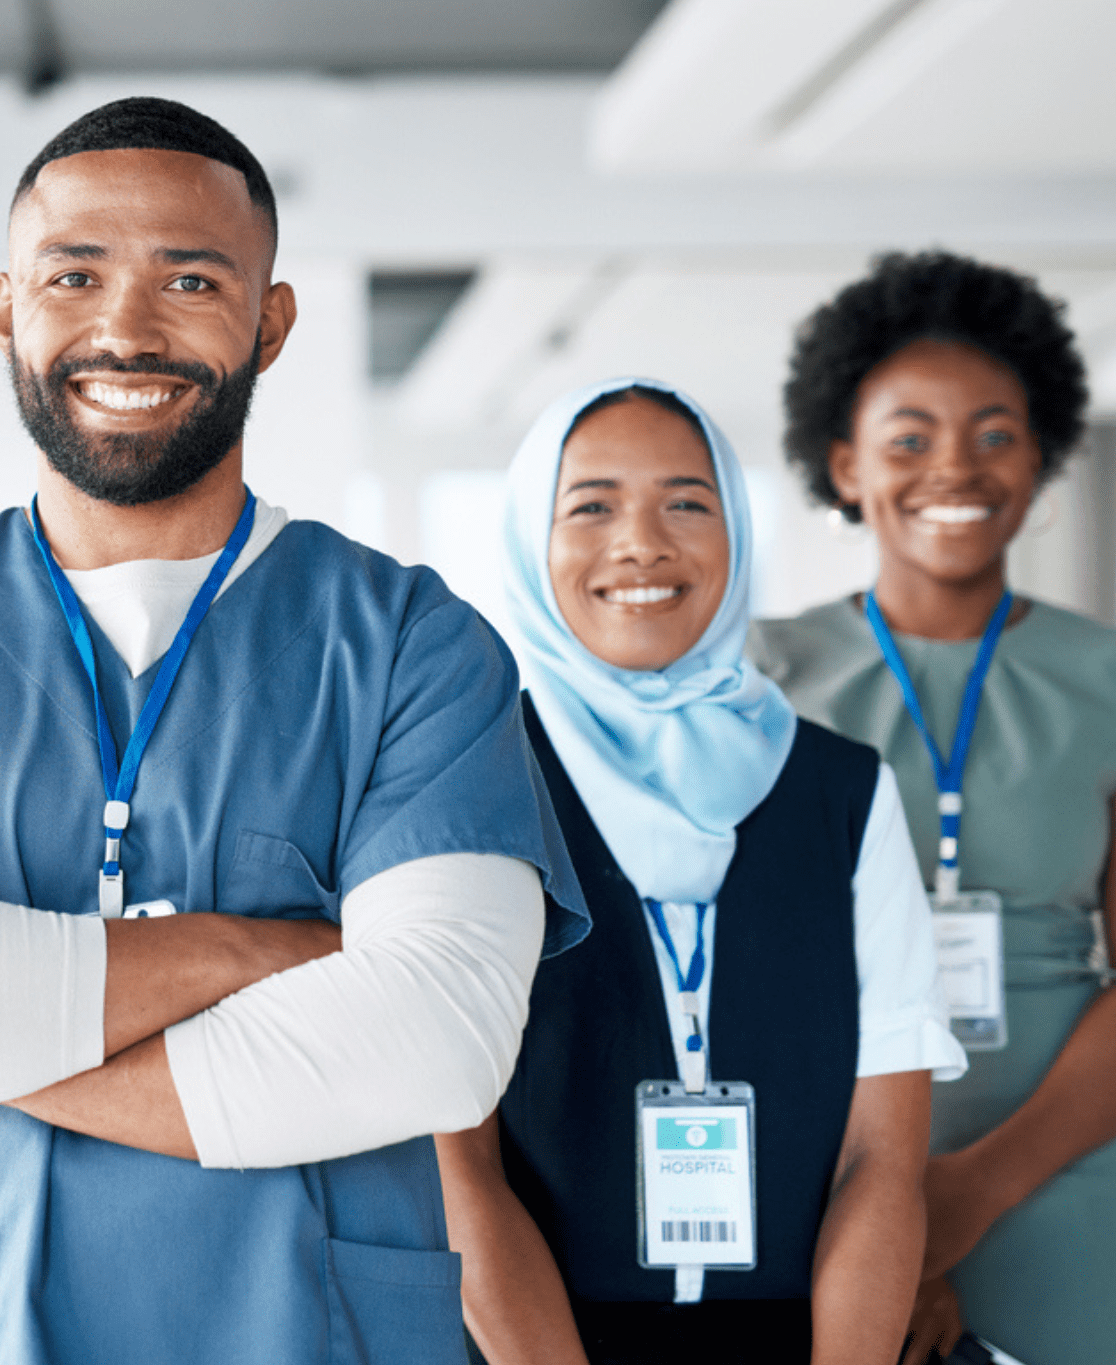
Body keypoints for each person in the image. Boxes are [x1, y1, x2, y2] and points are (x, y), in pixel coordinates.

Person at [0, 96, 587, 1365]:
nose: (124, 327)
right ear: (7, 307)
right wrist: (263, 952)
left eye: (189, 278)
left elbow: (436, 1041)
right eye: (73, 274)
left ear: (268, 324)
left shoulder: (409, 644)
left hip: (310, 1331)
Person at [437, 378, 964, 1365]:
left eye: (686, 501)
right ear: (525, 539)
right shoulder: (466, 785)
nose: (640, 542)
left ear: (736, 529)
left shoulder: (842, 792)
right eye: (589, 505)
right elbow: (453, 1169)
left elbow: (880, 1158)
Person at [751, 251, 1116, 1365]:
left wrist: (970, 1194)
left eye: (993, 433)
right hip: (827, 1182)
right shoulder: (764, 675)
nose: (954, 466)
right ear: (843, 464)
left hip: (1068, 1184)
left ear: (1039, 459)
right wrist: (895, 1218)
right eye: (907, 438)